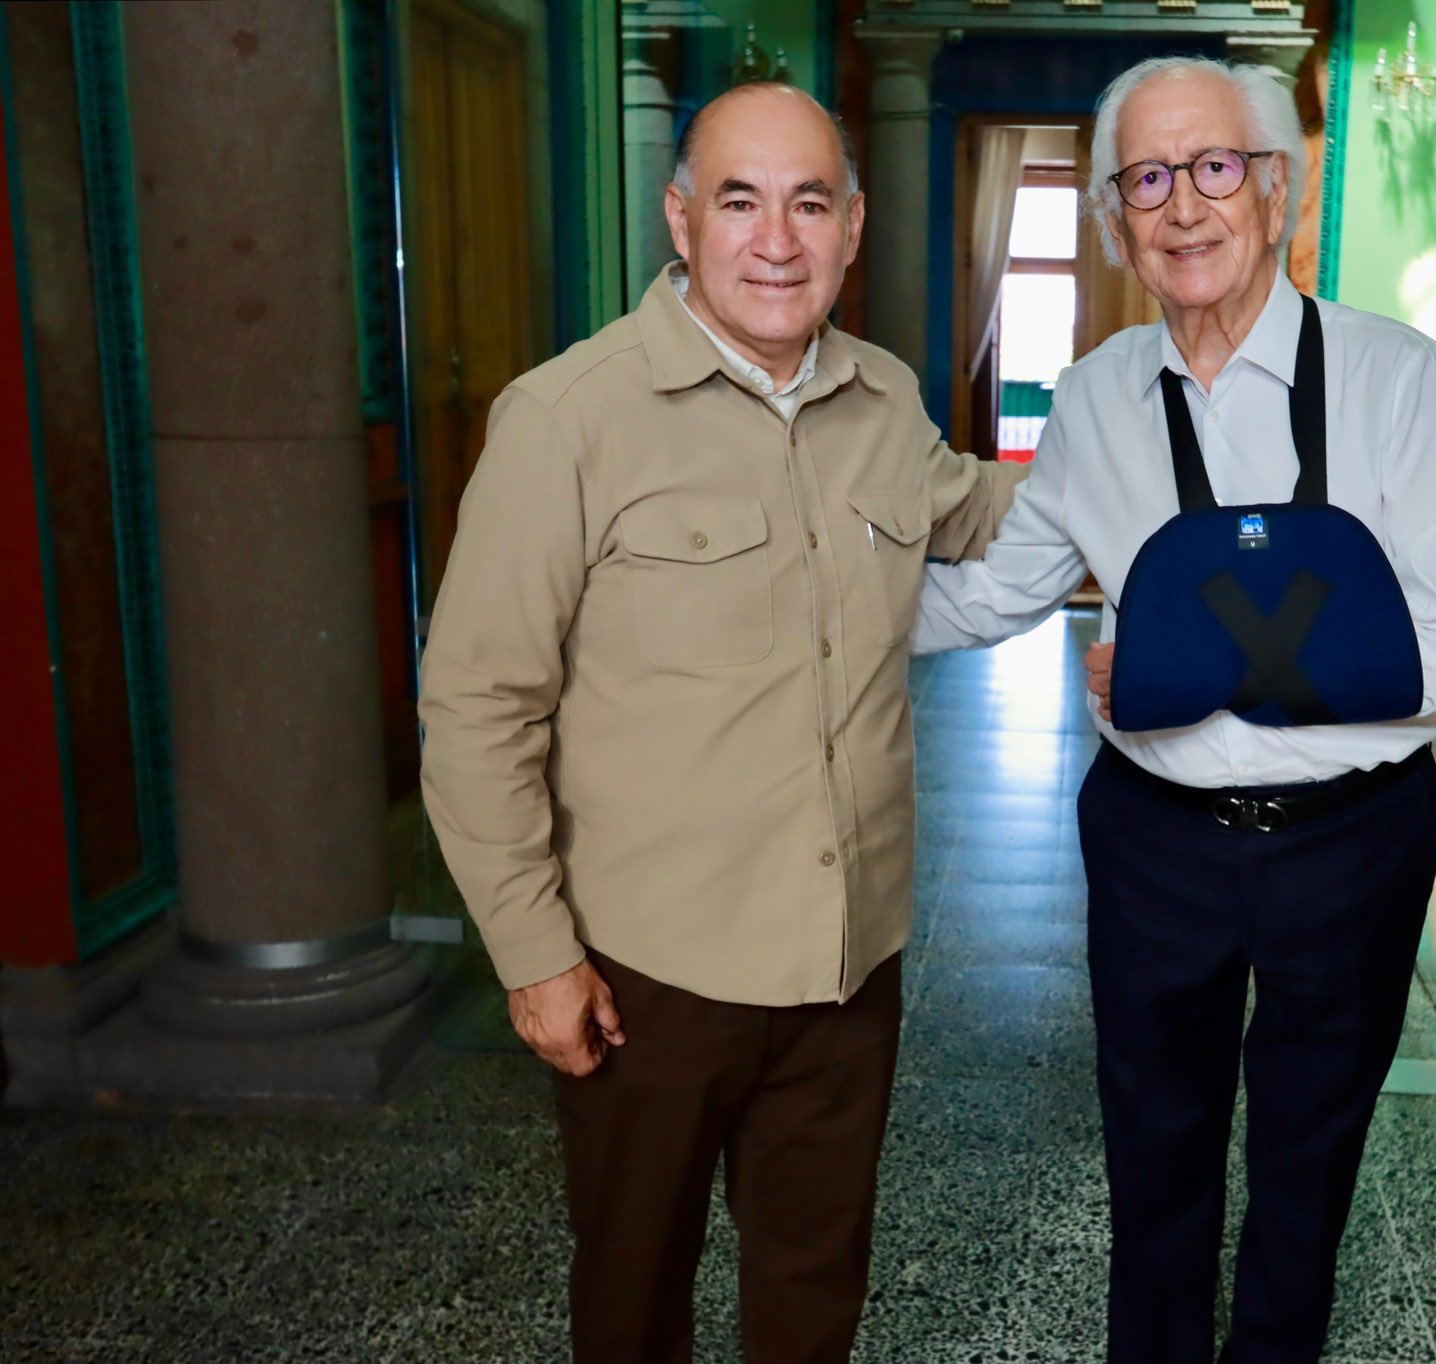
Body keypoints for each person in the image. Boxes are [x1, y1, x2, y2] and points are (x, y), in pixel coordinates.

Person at [912, 57, 1436, 1364]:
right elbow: (999, 589)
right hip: (1156, 842)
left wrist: (1198, 665)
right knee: (1152, 1158)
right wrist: (804, 612)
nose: (1182, 205)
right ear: (1114, 222)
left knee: (1309, 1165)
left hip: (1352, 842)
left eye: (1215, 167)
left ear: (1275, 191)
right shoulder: (1093, 397)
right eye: (1145, 179)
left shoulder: (1394, 377)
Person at [418, 82, 1024, 1364]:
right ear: (680, 219)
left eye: (809, 203)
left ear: (853, 224)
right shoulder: (567, 419)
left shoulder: (883, 399)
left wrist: (1165, 473)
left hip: (847, 963)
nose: (777, 241)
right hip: (650, 975)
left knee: (813, 1295)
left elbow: (983, 514)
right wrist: (534, 955)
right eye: (740, 202)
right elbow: (476, 706)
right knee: (632, 1296)